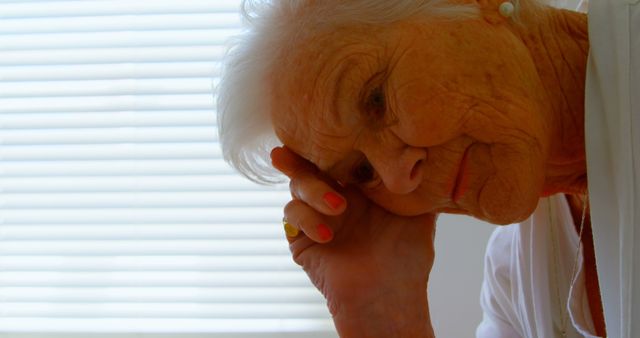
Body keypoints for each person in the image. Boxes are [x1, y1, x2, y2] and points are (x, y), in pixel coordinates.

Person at [216, 0, 639, 337]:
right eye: (362, 172)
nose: (397, 178)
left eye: (376, 100)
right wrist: (385, 315)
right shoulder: (515, 276)